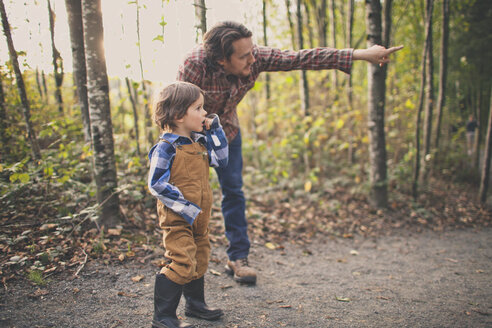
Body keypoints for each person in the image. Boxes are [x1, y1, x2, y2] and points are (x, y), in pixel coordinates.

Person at [177, 21, 403, 285]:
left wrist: (359, 54)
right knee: (193, 197)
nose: (253, 58)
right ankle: (185, 263)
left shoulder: (256, 57)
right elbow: (177, 113)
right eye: (244, 55)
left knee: (234, 192)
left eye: (253, 51)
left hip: (226, 131)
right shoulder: (194, 65)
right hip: (192, 136)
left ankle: (238, 257)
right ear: (221, 60)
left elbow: (300, 58)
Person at [148, 81, 229, 328]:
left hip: (200, 217)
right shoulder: (166, 147)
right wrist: (186, 207)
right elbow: (156, 184)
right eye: (199, 108)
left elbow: (222, 160)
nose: (204, 113)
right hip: (178, 217)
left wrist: (214, 130)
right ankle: (163, 317)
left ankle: (195, 304)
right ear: (178, 115)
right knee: (182, 261)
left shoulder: (200, 142)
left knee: (200, 259)